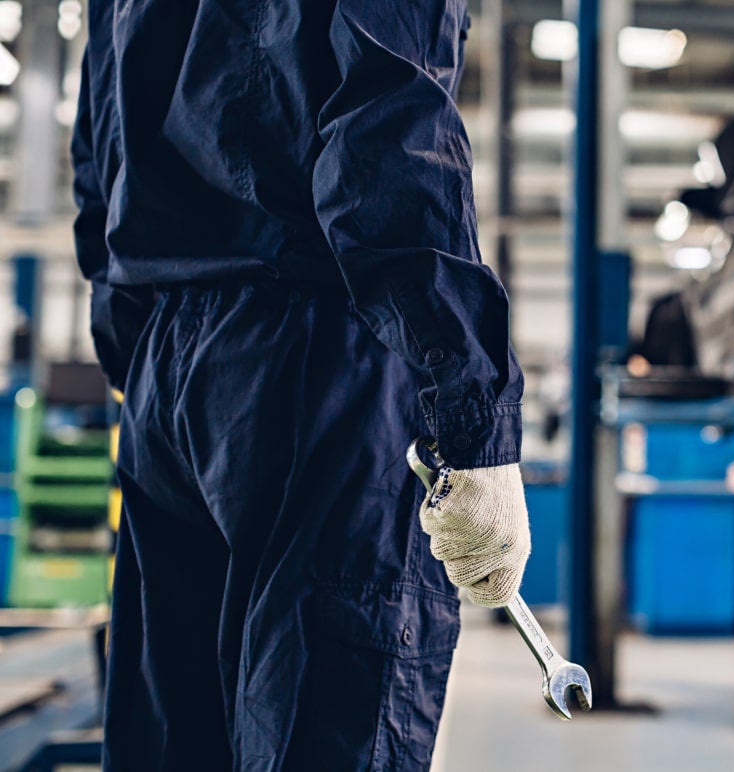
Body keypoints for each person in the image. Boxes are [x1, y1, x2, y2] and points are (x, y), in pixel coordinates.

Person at [71, 1, 531, 769]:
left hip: (167, 366)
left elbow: (101, 140)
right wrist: (472, 412)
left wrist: (145, 359)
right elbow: (390, 125)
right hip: (318, 360)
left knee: (175, 741)